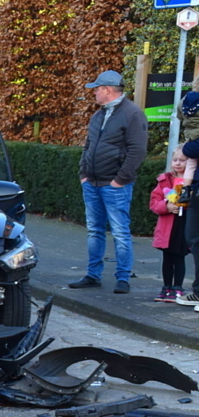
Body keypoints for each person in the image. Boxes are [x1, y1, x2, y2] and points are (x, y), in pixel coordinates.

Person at [69, 70, 148, 294]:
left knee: (120, 231)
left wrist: (119, 180)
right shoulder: (99, 115)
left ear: (107, 90)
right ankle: (93, 275)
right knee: (94, 231)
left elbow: (137, 151)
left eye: (97, 89)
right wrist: (84, 174)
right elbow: (88, 145)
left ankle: (123, 277)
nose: (94, 93)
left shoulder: (133, 114)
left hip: (114, 185)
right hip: (92, 183)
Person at [149, 146, 190, 303]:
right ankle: (166, 286)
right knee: (167, 257)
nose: (178, 163)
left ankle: (177, 287)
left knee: (179, 256)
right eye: (175, 160)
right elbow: (154, 202)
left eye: (182, 160)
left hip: (183, 223)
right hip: (168, 224)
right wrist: (167, 206)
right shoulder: (165, 180)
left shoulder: (192, 180)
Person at [175, 79, 199, 204]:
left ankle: (186, 189)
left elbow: (179, 116)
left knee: (191, 163)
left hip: (191, 139)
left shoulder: (184, 101)